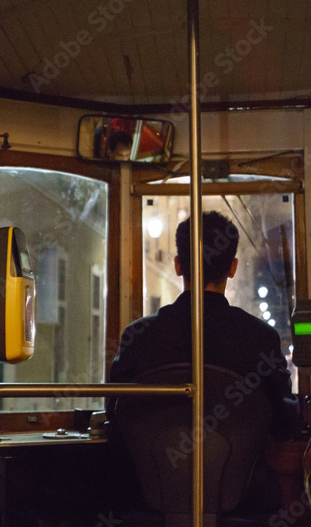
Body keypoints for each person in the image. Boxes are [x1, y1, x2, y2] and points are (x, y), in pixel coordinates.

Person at [107, 211, 300, 511]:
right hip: (243, 505)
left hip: (151, 503)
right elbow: (284, 420)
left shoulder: (138, 336)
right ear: (232, 268)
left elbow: (115, 414)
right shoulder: (260, 338)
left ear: (178, 265)